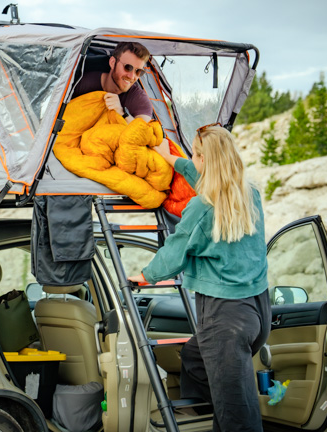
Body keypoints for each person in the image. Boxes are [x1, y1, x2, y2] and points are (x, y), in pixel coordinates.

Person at [130, 123, 271, 432]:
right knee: (194, 360)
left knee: (239, 419)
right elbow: (205, 179)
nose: (192, 160)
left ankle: (226, 405)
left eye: (195, 154)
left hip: (223, 319)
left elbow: (176, 249)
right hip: (257, 311)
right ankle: (213, 410)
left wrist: (144, 275)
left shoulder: (201, 208)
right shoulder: (249, 194)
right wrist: (173, 160)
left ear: (207, 160)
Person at [72, 41, 153, 122]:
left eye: (138, 71)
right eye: (128, 67)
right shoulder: (82, 83)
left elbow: (144, 132)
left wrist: (122, 113)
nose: (132, 76)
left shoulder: (139, 99)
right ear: (112, 62)